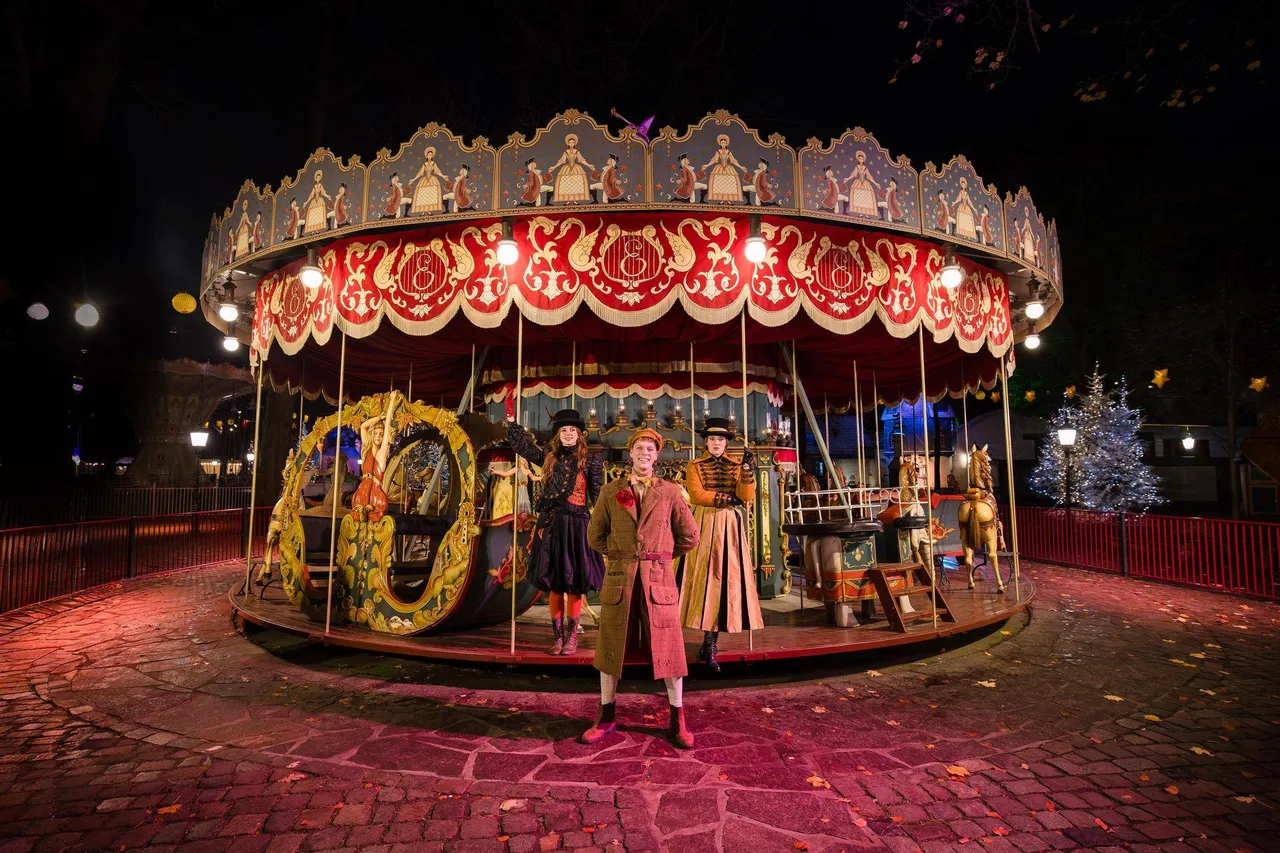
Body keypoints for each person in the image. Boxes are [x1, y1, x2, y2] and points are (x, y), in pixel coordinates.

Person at [581, 429, 700, 748]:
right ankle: (606, 717)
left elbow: (690, 537)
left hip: (658, 583)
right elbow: (595, 536)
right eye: (638, 448)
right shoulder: (611, 491)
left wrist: (659, 557)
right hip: (619, 581)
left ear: (656, 455)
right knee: (609, 650)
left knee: (671, 654)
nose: (644, 453)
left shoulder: (672, 492)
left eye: (650, 448)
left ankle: (678, 720)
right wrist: (622, 556)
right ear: (630, 453)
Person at [506, 407, 605, 654]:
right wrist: (511, 421)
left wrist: (602, 525)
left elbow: (597, 495)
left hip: (578, 525)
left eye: (572, 430)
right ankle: (558, 637)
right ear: (558, 434)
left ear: (580, 434)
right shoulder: (549, 457)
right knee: (556, 584)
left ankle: (572, 638)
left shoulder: (590, 460)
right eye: (564, 430)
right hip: (552, 525)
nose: (568, 434)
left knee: (574, 584)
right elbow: (525, 449)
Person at [679, 417, 764, 672]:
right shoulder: (695, 465)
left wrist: (748, 473)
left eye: (721, 439)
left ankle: (712, 641)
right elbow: (697, 495)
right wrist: (727, 497)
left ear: (726, 443)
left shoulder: (737, 465)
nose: (716, 443)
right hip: (704, 523)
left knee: (726, 580)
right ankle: (703, 635)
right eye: (712, 439)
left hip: (730, 526)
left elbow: (746, 497)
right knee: (704, 580)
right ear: (706, 442)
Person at [352, 391, 401, 523]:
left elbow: (387, 429)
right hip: (363, 490)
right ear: (371, 434)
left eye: (381, 434)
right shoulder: (366, 449)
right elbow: (363, 426)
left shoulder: (381, 453)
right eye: (376, 433)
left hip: (375, 492)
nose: (379, 437)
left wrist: (391, 404)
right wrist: (379, 418)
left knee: (373, 517)